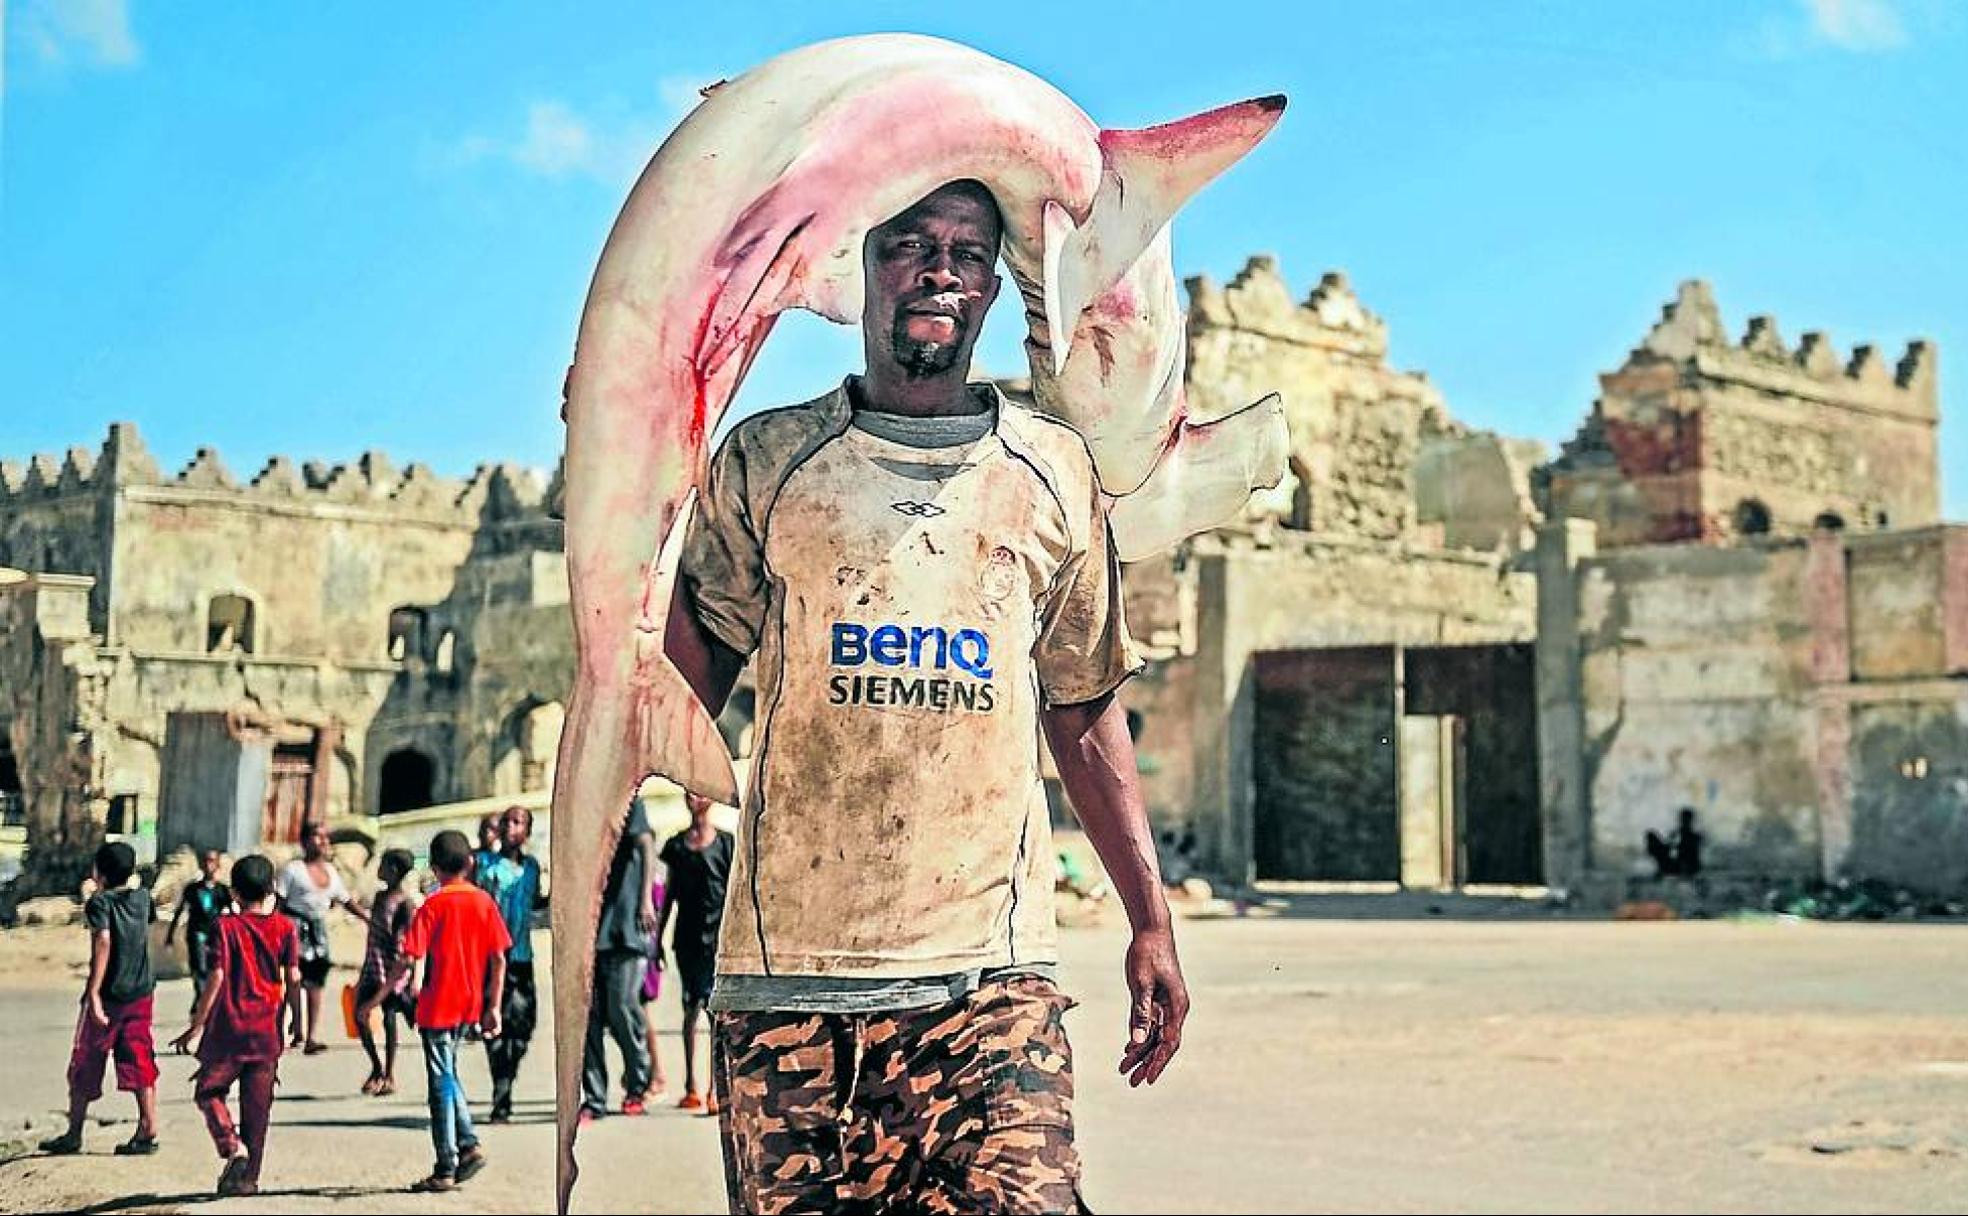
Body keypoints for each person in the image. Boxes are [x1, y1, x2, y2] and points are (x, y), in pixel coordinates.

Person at [668, 179, 1187, 1212]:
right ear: (860, 268)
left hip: (989, 985)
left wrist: (1150, 919)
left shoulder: (1052, 471)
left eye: (966, 251)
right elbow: (681, 679)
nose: (939, 269)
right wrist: (622, 467)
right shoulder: (769, 461)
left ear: (993, 287)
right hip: (788, 985)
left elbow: (1082, 708)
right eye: (909, 243)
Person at [362, 829, 508, 1193]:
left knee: (440, 1081)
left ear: (435, 867)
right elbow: (499, 959)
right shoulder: (483, 902)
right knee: (449, 1072)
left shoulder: (433, 905)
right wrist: (493, 1005)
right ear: (469, 863)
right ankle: (467, 1145)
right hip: (469, 1003)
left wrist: (376, 999)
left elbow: (408, 958)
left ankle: (449, 1161)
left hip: (438, 1004)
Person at [170, 853, 300, 1197]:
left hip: (229, 1030)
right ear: (271, 889)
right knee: (257, 1109)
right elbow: (294, 978)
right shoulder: (285, 928)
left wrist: (196, 1026)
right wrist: (298, 1022)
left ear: (234, 893)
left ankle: (231, 1145)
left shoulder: (225, 927)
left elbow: (216, 976)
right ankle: (247, 1179)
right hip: (266, 1032)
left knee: (208, 1091)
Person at [40, 841, 162, 1157]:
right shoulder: (143, 898)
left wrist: (93, 992)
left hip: (109, 996)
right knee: (139, 1057)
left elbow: (103, 942)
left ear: (99, 873)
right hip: (141, 993)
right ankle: (148, 1125)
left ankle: (74, 1133)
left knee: (86, 1060)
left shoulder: (99, 904)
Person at [580, 797, 658, 1121]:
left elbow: (646, 844)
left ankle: (637, 1084)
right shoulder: (581, 804)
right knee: (588, 1018)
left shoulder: (628, 801)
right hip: (590, 929)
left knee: (623, 1007)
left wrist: (645, 899)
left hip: (625, 925)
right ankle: (594, 1098)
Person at [655, 792, 732, 1112]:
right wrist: (657, 939)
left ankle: (716, 1089)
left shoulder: (725, 844)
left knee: (715, 1014)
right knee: (691, 1008)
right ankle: (691, 1087)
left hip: (719, 942)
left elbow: (734, 892)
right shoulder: (676, 846)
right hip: (687, 940)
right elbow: (669, 894)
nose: (694, 798)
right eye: (689, 793)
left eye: (700, 793)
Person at [475, 805, 545, 1122]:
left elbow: (537, 903)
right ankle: (501, 1091)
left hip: (521, 958)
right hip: (491, 959)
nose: (510, 827)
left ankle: (508, 1075)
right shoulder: (485, 865)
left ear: (527, 831)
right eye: (506, 822)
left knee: (524, 1026)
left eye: (518, 823)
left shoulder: (531, 867)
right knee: (495, 1026)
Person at [275, 821, 352, 1054]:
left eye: (326, 836)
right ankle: (292, 1029)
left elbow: (345, 900)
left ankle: (311, 1036)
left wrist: (370, 920)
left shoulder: (331, 872)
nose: (324, 841)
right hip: (294, 931)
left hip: (318, 934)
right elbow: (279, 903)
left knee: (316, 983)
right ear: (305, 841)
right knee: (292, 981)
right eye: (317, 836)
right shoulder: (293, 870)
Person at [355, 847, 418, 1097]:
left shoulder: (405, 904)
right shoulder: (381, 897)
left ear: (393, 870)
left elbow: (404, 942)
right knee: (359, 1014)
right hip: (373, 964)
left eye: (382, 865)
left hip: (393, 969)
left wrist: (408, 975)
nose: (379, 870)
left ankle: (389, 1073)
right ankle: (377, 1067)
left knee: (389, 1018)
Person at [165, 848, 231, 1014]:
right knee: (199, 967)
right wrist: (170, 935)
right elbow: (180, 910)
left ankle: (207, 999)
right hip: (197, 933)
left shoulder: (222, 890)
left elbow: (232, 913)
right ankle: (201, 997)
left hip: (215, 935)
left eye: (212, 861)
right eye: (206, 861)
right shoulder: (193, 889)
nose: (209, 865)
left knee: (214, 968)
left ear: (217, 865)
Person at [1646, 807, 1706, 879]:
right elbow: (1669, 847)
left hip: (1688, 867)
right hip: (1680, 865)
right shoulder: (1676, 834)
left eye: (1685, 820)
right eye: (1682, 819)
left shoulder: (1694, 836)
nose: (1683, 822)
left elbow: (1689, 851)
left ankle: (1665, 870)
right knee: (1651, 835)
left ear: (1690, 821)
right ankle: (1663, 869)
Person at [472, 813, 503, 881]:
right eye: (484, 828)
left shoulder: (505, 859)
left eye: (493, 829)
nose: (487, 832)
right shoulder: (471, 856)